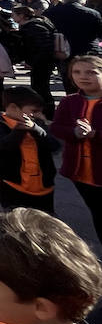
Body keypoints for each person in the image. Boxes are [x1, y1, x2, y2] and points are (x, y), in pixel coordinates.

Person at [52, 54, 102, 241]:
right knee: (97, 213)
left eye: (91, 72)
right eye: (77, 72)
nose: (83, 76)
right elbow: (57, 128)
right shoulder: (69, 101)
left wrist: (95, 134)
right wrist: (73, 132)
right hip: (80, 173)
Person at [0, 86, 60, 214]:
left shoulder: (38, 123)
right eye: (34, 111)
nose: (39, 115)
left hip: (43, 185)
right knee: (16, 223)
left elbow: (54, 146)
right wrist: (19, 130)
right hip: (13, 185)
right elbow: (5, 145)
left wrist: (36, 129)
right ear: (14, 108)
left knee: (44, 223)